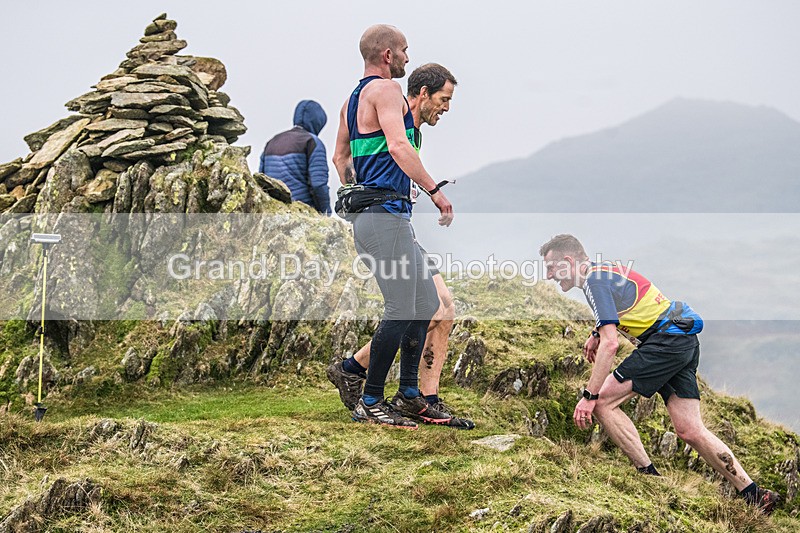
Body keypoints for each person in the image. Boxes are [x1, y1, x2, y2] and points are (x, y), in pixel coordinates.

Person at [539, 234, 781, 514]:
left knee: (603, 402)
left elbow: (611, 344)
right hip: (683, 340)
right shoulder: (604, 271)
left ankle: (649, 477)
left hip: (664, 342)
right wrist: (595, 332)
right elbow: (620, 307)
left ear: (569, 262)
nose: (548, 276)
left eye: (552, 268)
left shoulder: (593, 281)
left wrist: (589, 396)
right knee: (690, 429)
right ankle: (754, 494)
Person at [327, 63, 474, 429]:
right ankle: (371, 397)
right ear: (423, 93)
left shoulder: (393, 119)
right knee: (403, 305)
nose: (447, 108)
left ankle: (409, 395)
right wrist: (433, 193)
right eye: (444, 99)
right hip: (383, 220)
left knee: (427, 303)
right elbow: (393, 147)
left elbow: (340, 158)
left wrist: (356, 192)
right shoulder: (391, 106)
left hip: (391, 220)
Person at [259, 99, 331, 214]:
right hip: (302, 211)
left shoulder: (272, 142)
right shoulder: (312, 142)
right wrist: (326, 212)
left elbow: (262, 179)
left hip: (273, 211)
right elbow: (318, 184)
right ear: (318, 122)